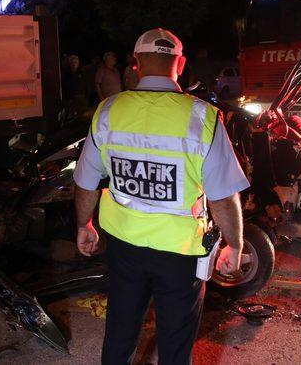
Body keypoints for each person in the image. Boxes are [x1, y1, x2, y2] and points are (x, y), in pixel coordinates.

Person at [73, 28, 249, 364]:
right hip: (180, 254)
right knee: (176, 341)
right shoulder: (202, 118)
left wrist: (84, 224)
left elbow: (85, 181)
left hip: (124, 247)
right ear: (180, 64)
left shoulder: (108, 111)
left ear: (136, 63)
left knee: (121, 330)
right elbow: (224, 196)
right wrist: (235, 244)